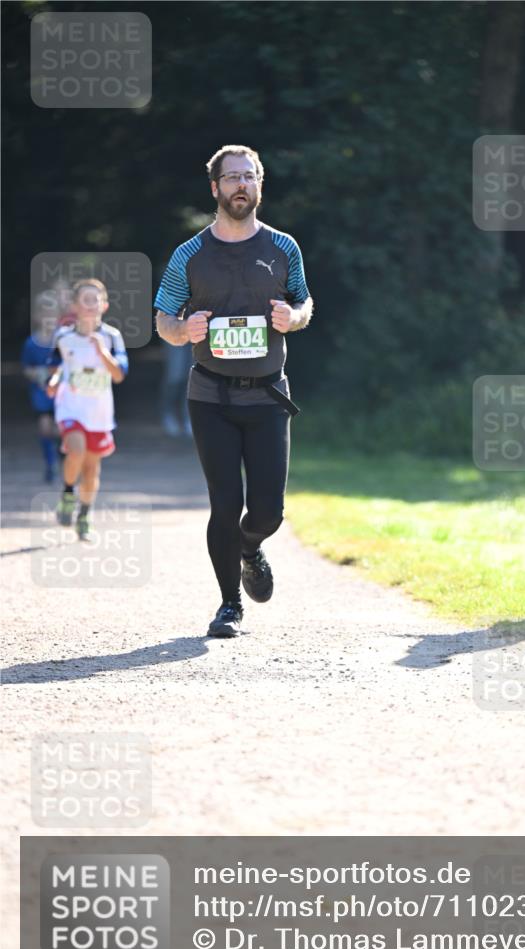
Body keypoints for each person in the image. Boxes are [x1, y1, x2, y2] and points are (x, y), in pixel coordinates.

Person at [154, 143, 313, 637]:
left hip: (267, 397)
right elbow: (163, 317)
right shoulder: (190, 254)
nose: (240, 185)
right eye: (231, 178)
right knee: (224, 504)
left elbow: (304, 303)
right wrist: (183, 331)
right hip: (211, 397)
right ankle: (228, 605)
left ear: (260, 185)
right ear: (215, 188)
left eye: (249, 176)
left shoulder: (283, 247)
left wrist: (294, 317)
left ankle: (250, 548)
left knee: (267, 509)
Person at [46, 279, 129, 540]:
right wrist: (54, 380)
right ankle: (68, 492)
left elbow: (119, 375)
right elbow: (56, 367)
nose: (91, 304)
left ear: (104, 305)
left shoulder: (112, 336)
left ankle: (84, 514)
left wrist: (102, 351)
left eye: (96, 299)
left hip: (99, 412)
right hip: (70, 407)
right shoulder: (63, 336)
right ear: (74, 305)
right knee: (76, 450)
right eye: (86, 299)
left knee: (92, 468)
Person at [21, 291, 60, 482]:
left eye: (51, 314)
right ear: (37, 316)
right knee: (45, 427)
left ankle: (63, 457)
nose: (48, 318)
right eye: (43, 313)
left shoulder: (62, 340)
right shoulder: (31, 343)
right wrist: (37, 373)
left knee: (60, 429)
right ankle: (50, 463)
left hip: (62, 393)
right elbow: (26, 368)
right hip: (41, 393)